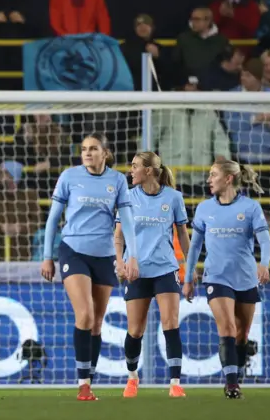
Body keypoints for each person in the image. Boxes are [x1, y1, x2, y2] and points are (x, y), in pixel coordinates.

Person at [40, 133, 138, 401]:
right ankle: (83, 384)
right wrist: (47, 256)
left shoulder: (117, 180)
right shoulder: (69, 177)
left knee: (96, 324)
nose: (87, 153)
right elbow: (53, 219)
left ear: (105, 153)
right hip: (73, 251)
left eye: (93, 149)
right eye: (84, 149)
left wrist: (131, 256)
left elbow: (127, 222)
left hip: (104, 257)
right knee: (84, 314)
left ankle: (88, 381)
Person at [183, 159, 270, 399]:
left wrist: (264, 264)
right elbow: (195, 247)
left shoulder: (251, 208)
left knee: (241, 334)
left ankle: (238, 371)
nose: (209, 180)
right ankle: (231, 384)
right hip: (216, 277)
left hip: (245, 278)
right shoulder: (203, 209)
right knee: (229, 328)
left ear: (228, 178)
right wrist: (189, 275)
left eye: (213, 175)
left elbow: (264, 240)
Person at [114, 152, 190, 398]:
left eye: (135, 166)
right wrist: (119, 263)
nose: (130, 170)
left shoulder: (174, 197)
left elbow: (183, 235)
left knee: (171, 323)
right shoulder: (126, 197)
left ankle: (175, 383)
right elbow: (118, 236)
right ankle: (132, 376)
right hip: (136, 271)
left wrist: (190, 268)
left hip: (165, 268)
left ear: (148, 171)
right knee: (135, 330)